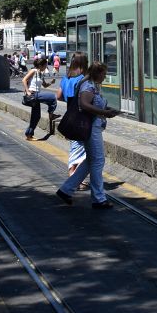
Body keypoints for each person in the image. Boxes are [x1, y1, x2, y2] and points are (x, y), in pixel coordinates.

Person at [55, 60, 119, 209]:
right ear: (97, 73)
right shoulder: (88, 86)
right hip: (90, 128)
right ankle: (98, 199)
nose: (105, 77)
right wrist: (104, 112)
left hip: (93, 127)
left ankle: (66, 190)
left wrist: (107, 109)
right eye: (104, 74)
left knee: (91, 160)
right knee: (97, 161)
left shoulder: (91, 85)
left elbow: (91, 104)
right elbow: (84, 104)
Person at [59, 53, 90, 190]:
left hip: (69, 116)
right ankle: (73, 176)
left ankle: (75, 177)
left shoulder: (66, 78)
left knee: (75, 146)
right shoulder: (82, 79)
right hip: (81, 118)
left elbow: (58, 96)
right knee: (80, 148)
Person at [22, 57, 58, 140]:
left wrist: (51, 83)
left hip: (37, 96)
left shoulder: (41, 74)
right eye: (45, 65)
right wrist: (27, 91)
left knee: (36, 116)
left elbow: (44, 85)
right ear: (41, 65)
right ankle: (51, 114)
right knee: (53, 97)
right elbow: (24, 80)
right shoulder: (33, 71)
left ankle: (29, 134)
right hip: (33, 94)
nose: (46, 67)